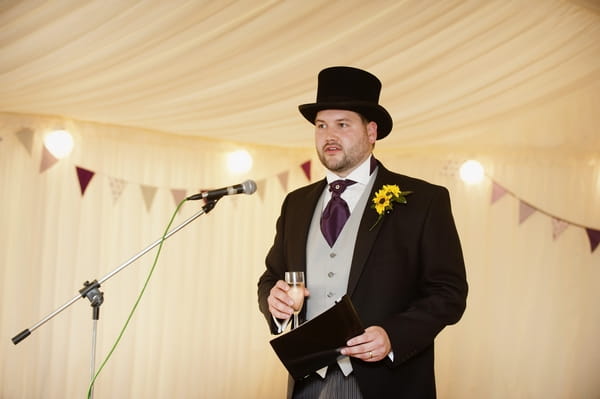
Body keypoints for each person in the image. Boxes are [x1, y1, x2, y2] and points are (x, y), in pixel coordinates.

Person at [257, 66, 468, 398]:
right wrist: (273, 301)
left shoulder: (424, 201)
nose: (329, 136)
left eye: (342, 125)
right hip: (308, 382)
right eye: (321, 125)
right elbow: (270, 277)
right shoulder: (295, 203)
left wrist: (393, 336)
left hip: (385, 383)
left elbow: (448, 293)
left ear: (371, 132)